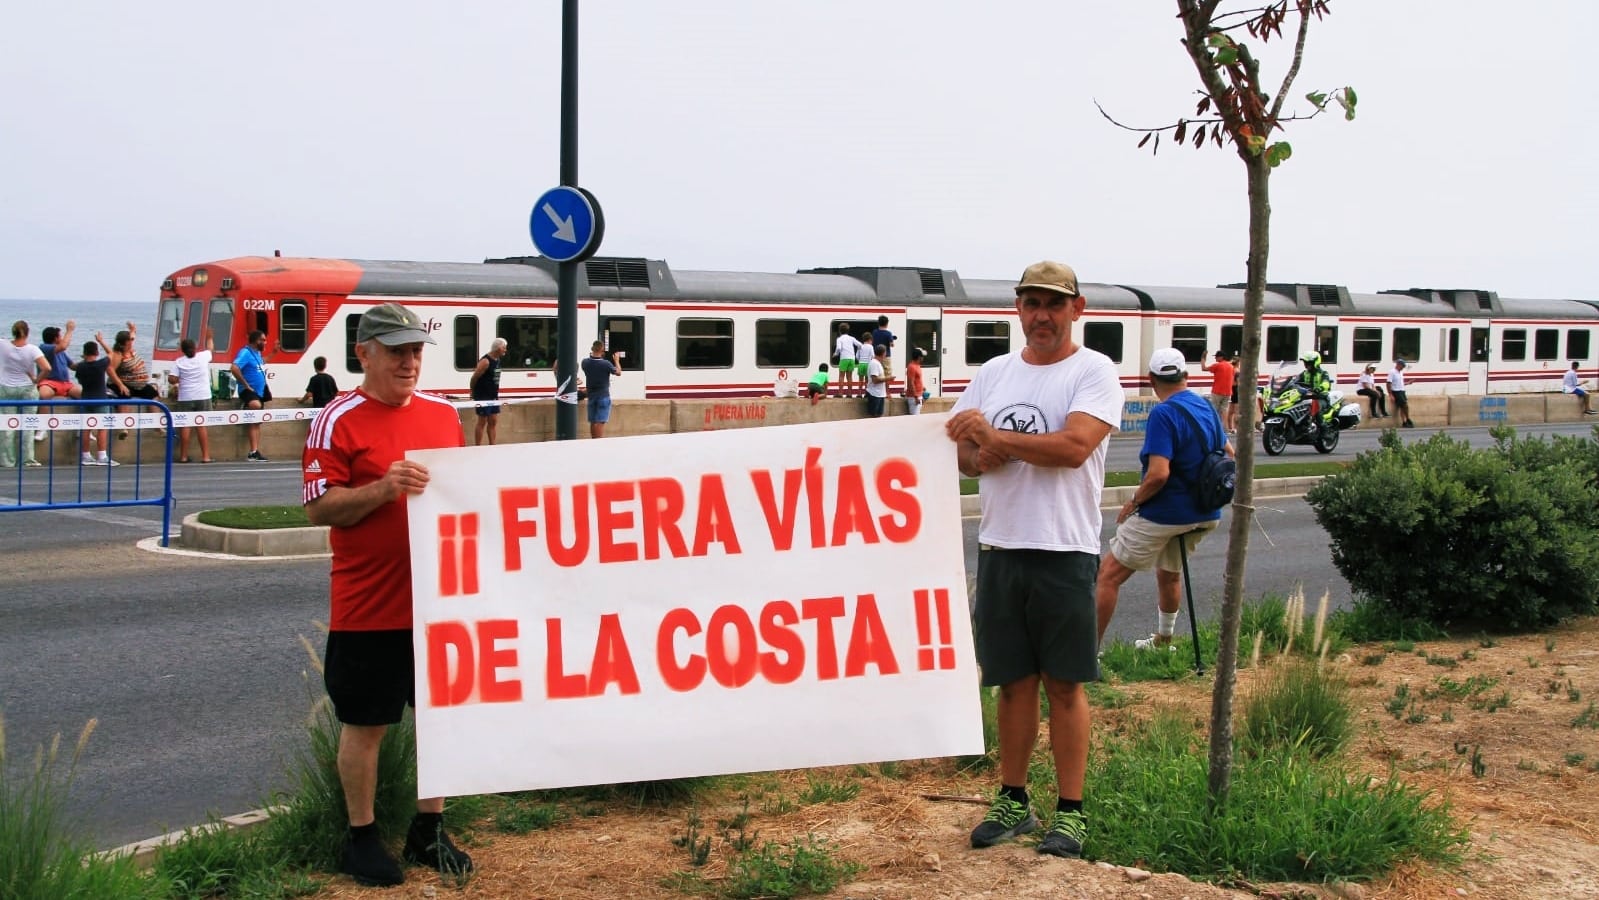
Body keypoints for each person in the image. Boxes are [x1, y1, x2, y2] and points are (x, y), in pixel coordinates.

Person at [945, 260, 1122, 860]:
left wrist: (994, 439)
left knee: (1065, 685)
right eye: (1031, 304)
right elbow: (963, 451)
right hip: (1001, 547)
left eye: (1054, 304)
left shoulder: (1093, 371)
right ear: (1018, 310)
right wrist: (978, 457)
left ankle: (1071, 813)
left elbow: (1074, 447)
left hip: (1065, 549)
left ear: (1078, 309)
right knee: (1012, 683)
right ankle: (1013, 799)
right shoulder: (993, 373)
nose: (1042, 316)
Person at [301, 302, 472, 887]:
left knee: (441, 720)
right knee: (366, 725)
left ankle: (429, 829)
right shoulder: (337, 419)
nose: (409, 361)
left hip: (438, 603)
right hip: (368, 606)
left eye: (416, 350)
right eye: (396, 350)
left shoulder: (446, 417)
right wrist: (384, 489)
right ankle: (362, 837)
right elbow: (320, 507)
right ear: (363, 353)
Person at [1095, 348, 1231, 650]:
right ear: (1185, 376)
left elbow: (1158, 475)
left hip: (1167, 512)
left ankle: (1085, 657)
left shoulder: (1163, 413)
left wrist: (1134, 502)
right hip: (1206, 512)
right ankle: (1163, 641)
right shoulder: (1206, 406)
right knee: (1169, 573)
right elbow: (1229, 454)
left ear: (1152, 380)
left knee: (1107, 576)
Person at [1, 320, 49, 467]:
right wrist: (36, 380)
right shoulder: (33, 349)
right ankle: (27, 460)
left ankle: (7, 462)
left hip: (6, 388)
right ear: (27, 333)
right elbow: (47, 368)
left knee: (7, 428)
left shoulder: (3, 345)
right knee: (28, 425)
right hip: (28, 389)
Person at [102, 322, 159, 439]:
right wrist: (121, 385)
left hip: (138, 384)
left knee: (153, 393)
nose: (130, 345)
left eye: (130, 343)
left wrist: (133, 329)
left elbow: (132, 336)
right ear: (122, 345)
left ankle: (156, 424)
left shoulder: (130, 346)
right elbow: (110, 370)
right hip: (122, 383)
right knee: (124, 397)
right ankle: (124, 427)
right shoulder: (118, 355)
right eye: (128, 344)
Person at [168, 328, 214, 463]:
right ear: (194, 348)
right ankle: (205, 456)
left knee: (186, 426)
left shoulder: (179, 362)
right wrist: (209, 337)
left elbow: (171, 378)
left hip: (186, 397)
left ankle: (183, 456)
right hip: (203, 395)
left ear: (182, 350)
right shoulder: (203, 356)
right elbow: (210, 348)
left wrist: (178, 380)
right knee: (201, 425)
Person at [75, 340, 117, 466]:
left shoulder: (81, 367)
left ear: (84, 353)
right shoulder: (100, 364)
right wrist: (101, 341)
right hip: (100, 399)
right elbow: (111, 353)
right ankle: (102, 456)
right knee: (102, 428)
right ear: (97, 352)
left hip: (86, 398)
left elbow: (79, 380)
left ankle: (86, 455)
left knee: (86, 428)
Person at [231, 329, 270, 460]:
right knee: (255, 405)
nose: (265, 342)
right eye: (263, 340)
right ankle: (245, 406)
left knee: (256, 422)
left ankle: (254, 451)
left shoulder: (257, 354)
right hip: (248, 391)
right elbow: (235, 368)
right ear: (256, 341)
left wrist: (275, 352)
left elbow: (262, 362)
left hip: (259, 392)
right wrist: (246, 385)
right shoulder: (245, 353)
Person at [469, 338, 507, 445]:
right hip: (483, 395)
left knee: (493, 421)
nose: (505, 350)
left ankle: (492, 445)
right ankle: (478, 446)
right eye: (504, 348)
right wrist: (472, 391)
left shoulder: (498, 360)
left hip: (493, 395)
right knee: (482, 421)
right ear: (498, 348)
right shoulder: (485, 361)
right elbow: (474, 377)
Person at [580, 340, 621, 438]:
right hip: (603, 396)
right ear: (602, 351)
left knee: (593, 421)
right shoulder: (606, 364)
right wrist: (616, 360)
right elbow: (618, 372)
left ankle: (593, 440)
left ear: (592, 349)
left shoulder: (585, 362)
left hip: (591, 395)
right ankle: (598, 442)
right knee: (600, 422)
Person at [1199, 349, 1234, 430]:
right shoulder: (1231, 366)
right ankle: (1224, 428)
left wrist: (1203, 357)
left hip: (1217, 391)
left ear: (1221, 357)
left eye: (1217, 357)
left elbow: (1203, 368)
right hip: (1228, 391)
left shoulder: (1217, 365)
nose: (1215, 359)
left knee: (1214, 409)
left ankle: (1214, 427)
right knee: (1224, 410)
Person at [834, 324, 861, 398]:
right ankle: (849, 393)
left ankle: (840, 393)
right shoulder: (852, 338)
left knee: (841, 376)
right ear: (848, 330)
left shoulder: (839, 339)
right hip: (852, 359)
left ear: (840, 331)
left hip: (844, 359)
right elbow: (859, 345)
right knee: (849, 377)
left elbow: (839, 348)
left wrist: (835, 354)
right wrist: (857, 353)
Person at [864, 342, 889, 417]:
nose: (886, 354)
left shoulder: (877, 363)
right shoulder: (874, 363)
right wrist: (888, 378)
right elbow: (875, 380)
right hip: (874, 394)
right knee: (873, 416)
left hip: (879, 394)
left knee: (878, 416)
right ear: (883, 353)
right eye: (885, 352)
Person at [1387, 360, 1414, 428]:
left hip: (1402, 391)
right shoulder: (1392, 372)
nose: (1403, 367)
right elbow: (1388, 383)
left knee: (1402, 407)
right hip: (1396, 391)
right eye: (1402, 366)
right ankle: (1408, 419)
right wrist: (1390, 394)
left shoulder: (1400, 372)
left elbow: (1400, 383)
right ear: (1398, 364)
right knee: (1405, 405)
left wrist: (1408, 383)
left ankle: (1404, 422)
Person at [872, 315, 897, 383]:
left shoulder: (874, 332)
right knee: (887, 374)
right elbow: (891, 345)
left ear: (878, 323)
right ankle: (887, 392)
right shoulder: (888, 333)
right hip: (886, 356)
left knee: (878, 373)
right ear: (887, 323)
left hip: (876, 356)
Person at [904, 347, 927, 415]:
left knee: (917, 415)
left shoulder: (917, 366)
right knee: (915, 417)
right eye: (922, 356)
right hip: (914, 397)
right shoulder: (912, 367)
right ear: (919, 357)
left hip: (919, 395)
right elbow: (910, 383)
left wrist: (922, 388)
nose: (923, 358)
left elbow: (917, 380)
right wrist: (916, 396)